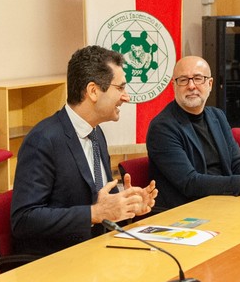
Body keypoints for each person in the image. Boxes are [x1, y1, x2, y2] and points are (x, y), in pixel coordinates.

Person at [11, 45, 158, 257]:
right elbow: (24, 220)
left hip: (98, 251)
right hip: (58, 260)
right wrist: (93, 214)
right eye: (120, 88)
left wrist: (126, 204)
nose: (126, 97)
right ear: (93, 91)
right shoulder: (43, 140)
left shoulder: (97, 134)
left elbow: (96, 198)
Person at [147, 56, 240, 212]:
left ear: (210, 84)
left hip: (223, 202)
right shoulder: (162, 127)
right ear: (174, 85)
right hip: (185, 211)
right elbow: (190, 183)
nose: (191, 86)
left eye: (198, 79)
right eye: (183, 80)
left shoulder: (217, 116)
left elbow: (237, 161)